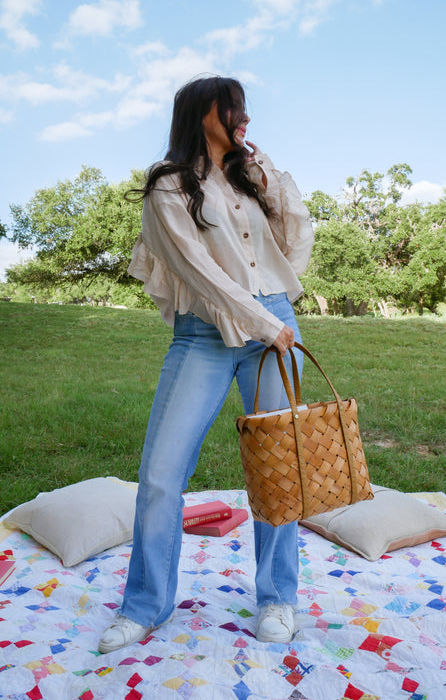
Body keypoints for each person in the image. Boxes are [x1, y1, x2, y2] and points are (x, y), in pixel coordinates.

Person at [98, 76, 314, 653]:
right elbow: (200, 272)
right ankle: (145, 604)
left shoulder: (249, 180)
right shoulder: (168, 186)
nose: (244, 114)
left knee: (277, 471)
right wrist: (267, 326)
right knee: (162, 473)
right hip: (206, 332)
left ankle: (277, 597)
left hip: (274, 324)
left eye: (245, 105)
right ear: (202, 113)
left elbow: (292, 250)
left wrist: (270, 178)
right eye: (233, 105)